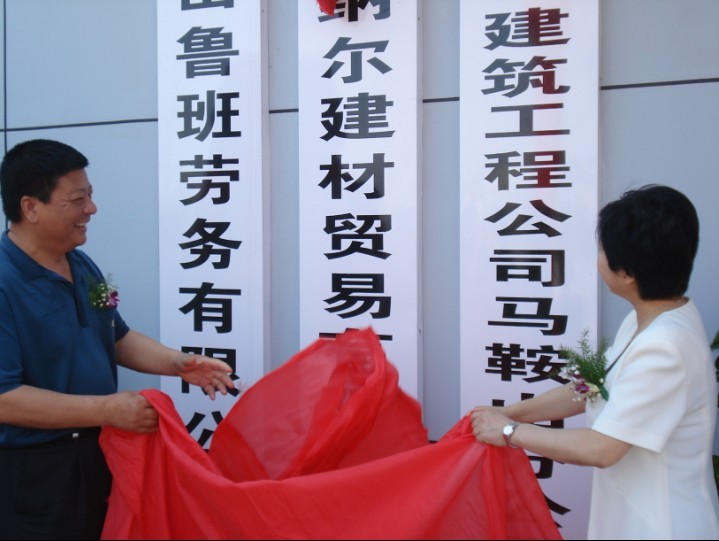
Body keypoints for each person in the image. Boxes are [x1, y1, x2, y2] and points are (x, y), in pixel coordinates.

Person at [0, 139, 236, 540]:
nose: (91, 209)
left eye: (90, 196)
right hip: (35, 473)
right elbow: (5, 398)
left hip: (100, 452)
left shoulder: (84, 265)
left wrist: (178, 363)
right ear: (30, 207)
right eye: (77, 200)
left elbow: (115, 334)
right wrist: (107, 408)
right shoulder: (6, 282)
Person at [471, 184, 719, 540]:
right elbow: (588, 388)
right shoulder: (650, 318)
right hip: (632, 513)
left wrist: (509, 432)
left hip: (660, 525)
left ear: (627, 272)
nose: (598, 257)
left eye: (602, 249)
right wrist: (510, 412)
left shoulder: (664, 348)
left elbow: (602, 448)